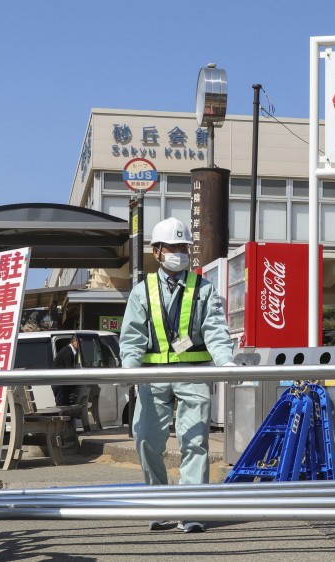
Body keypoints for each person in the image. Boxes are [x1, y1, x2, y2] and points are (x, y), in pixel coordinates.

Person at [119, 217, 235, 534]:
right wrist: (128, 368)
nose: (180, 253)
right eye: (173, 247)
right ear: (157, 252)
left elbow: (215, 330)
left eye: (184, 247)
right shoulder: (142, 291)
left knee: (195, 442)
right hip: (153, 375)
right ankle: (159, 504)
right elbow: (131, 337)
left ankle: (191, 509)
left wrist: (226, 362)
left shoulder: (203, 288)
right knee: (145, 439)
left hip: (193, 372)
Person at [51, 335, 79, 406]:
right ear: (72, 342)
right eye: (78, 342)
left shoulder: (69, 350)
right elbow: (69, 370)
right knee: (61, 406)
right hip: (59, 383)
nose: (79, 345)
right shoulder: (68, 352)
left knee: (65, 405)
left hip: (61, 382)